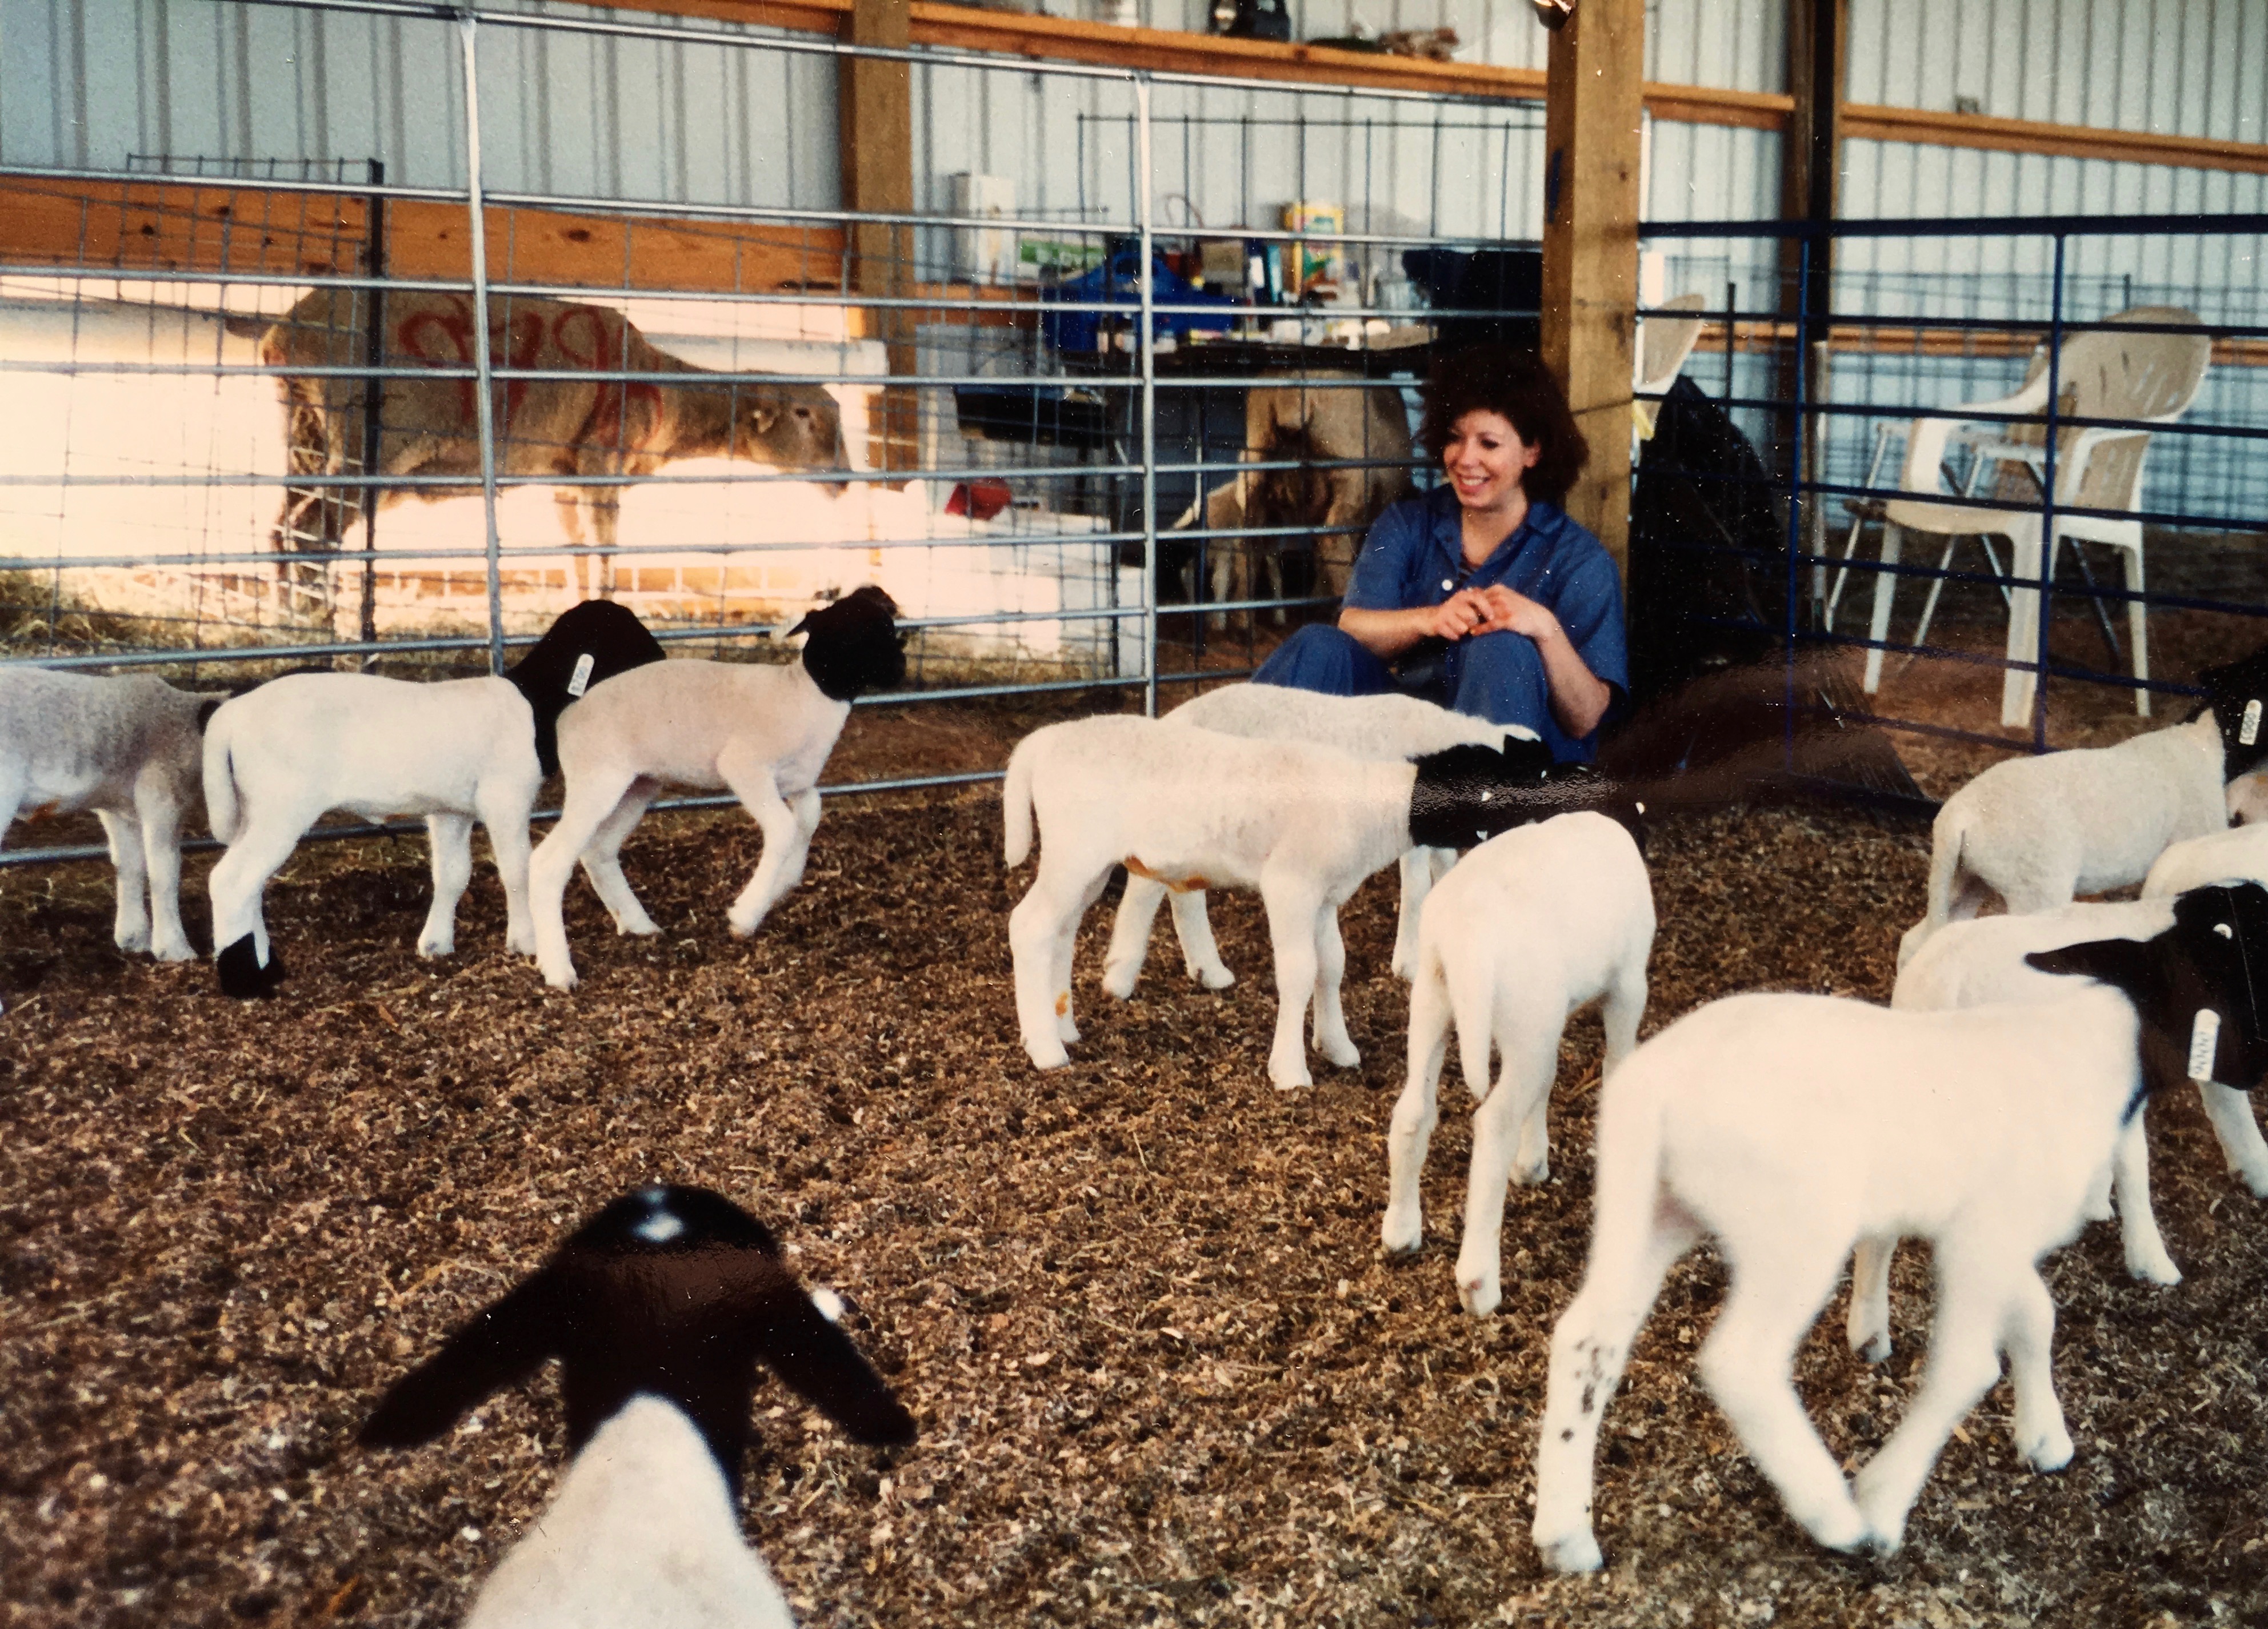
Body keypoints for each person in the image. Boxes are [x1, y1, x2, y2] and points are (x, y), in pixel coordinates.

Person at [1251, 345, 1628, 762]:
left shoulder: (1580, 560)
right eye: (1454, 437)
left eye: (1488, 443)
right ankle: (1242, 789)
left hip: (1519, 772)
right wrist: (1430, 619)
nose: (1466, 459)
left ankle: (1483, 820)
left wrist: (1544, 630)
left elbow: (1586, 718)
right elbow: (1354, 626)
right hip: (1416, 741)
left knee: (1501, 647)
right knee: (1317, 646)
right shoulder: (1408, 522)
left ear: (1532, 452)